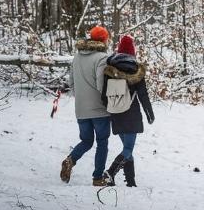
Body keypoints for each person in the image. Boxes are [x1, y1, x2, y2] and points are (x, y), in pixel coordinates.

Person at [60, 25, 112, 186]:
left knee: (87, 141)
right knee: (102, 142)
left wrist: (81, 97)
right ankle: (97, 178)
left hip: (81, 109)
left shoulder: (77, 57)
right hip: (99, 109)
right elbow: (101, 84)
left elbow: (71, 83)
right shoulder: (102, 58)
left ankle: (71, 159)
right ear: (104, 40)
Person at [101, 34, 154, 187]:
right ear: (133, 51)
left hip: (116, 112)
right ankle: (110, 172)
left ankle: (131, 182)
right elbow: (143, 95)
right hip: (131, 113)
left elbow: (104, 94)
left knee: (127, 149)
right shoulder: (136, 70)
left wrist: (108, 108)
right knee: (128, 149)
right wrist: (149, 113)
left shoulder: (110, 68)